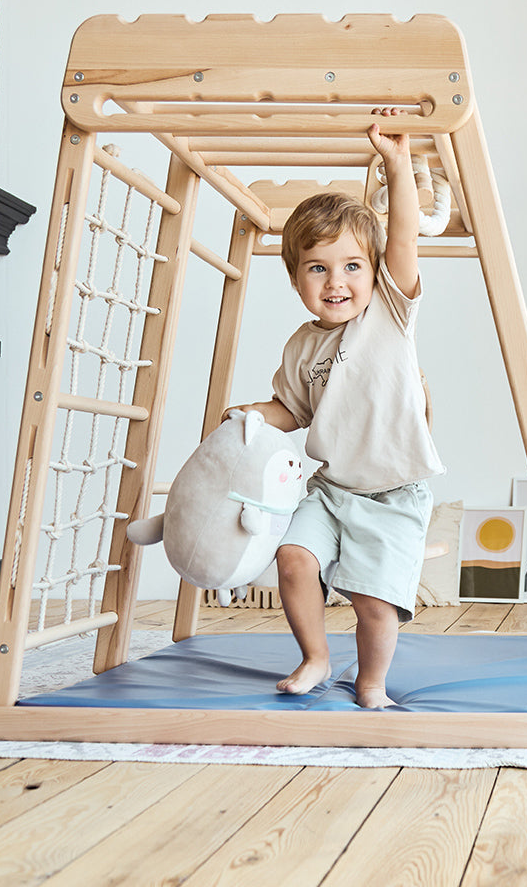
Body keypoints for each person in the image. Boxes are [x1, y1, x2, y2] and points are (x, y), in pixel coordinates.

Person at [224, 108, 444, 708]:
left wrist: (398, 164)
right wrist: (248, 413)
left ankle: (371, 682)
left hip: (394, 491)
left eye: (352, 267)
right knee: (293, 560)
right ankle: (316, 658)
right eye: (317, 269)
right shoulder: (302, 344)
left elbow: (401, 235)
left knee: (374, 602)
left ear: (375, 274)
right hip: (331, 488)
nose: (336, 282)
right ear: (296, 278)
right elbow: (288, 410)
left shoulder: (390, 317)